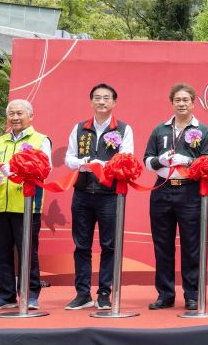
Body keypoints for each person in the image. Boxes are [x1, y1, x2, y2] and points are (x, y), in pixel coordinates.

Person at [143, 83, 208, 311]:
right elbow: (146, 160)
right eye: (177, 100)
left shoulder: (203, 130)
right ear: (172, 103)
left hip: (190, 191)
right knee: (162, 244)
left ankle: (192, 294)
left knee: (191, 245)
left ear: (193, 103)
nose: (181, 104)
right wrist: (160, 160)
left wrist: (189, 161)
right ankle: (165, 294)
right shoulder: (159, 130)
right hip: (162, 190)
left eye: (186, 100)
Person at [63, 83, 135, 311]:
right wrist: (86, 163)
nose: (101, 101)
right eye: (97, 97)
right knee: (81, 245)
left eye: (106, 98)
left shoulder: (124, 129)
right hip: (82, 194)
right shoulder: (79, 128)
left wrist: (102, 165)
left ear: (114, 102)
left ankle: (104, 293)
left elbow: (126, 158)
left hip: (109, 196)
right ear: (91, 101)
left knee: (109, 246)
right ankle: (82, 294)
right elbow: (69, 159)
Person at [0, 99, 52, 311]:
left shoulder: (41, 140)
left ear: (31, 116)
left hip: (27, 205)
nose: (15, 117)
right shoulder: (0, 141)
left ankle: (30, 294)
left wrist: (16, 173)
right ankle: (6, 295)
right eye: (11, 114)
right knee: (1, 252)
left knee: (27, 252)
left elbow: (45, 169)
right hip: (0, 204)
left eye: (19, 113)